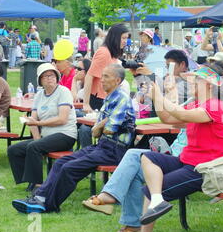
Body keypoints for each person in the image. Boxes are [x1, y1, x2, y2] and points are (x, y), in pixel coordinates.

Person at [11, 64, 135, 213]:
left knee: (69, 168)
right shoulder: (109, 99)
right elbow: (95, 133)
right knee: (61, 163)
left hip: (115, 150)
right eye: (102, 76)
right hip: (102, 146)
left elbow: (108, 130)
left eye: (106, 77)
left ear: (118, 80)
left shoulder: (122, 98)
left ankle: (48, 205)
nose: (101, 80)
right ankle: (38, 197)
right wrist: (104, 123)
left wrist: (102, 123)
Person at [136, 65, 223, 232]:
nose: (192, 83)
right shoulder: (198, 105)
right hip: (188, 162)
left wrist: (159, 96)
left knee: (150, 189)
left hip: (204, 169)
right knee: (147, 157)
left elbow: (182, 115)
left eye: (197, 80)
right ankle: (158, 200)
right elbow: (168, 118)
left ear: (209, 84)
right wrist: (157, 99)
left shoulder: (215, 106)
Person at [7, 63, 78, 191]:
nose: (49, 78)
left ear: (57, 77)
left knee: (34, 147)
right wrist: (37, 137)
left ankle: (38, 185)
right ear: (40, 80)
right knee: (14, 149)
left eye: (51, 75)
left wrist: (38, 125)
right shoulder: (39, 95)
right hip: (47, 136)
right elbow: (33, 120)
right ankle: (28, 180)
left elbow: (62, 119)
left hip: (65, 135)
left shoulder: (63, 92)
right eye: (45, 76)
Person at [80, 24, 129, 149]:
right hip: (98, 100)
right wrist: (86, 103)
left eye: (126, 38)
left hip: (109, 99)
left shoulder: (112, 53)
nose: (125, 41)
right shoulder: (104, 52)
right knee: (91, 129)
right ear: (115, 37)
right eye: (123, 38)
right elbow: (89, 76)